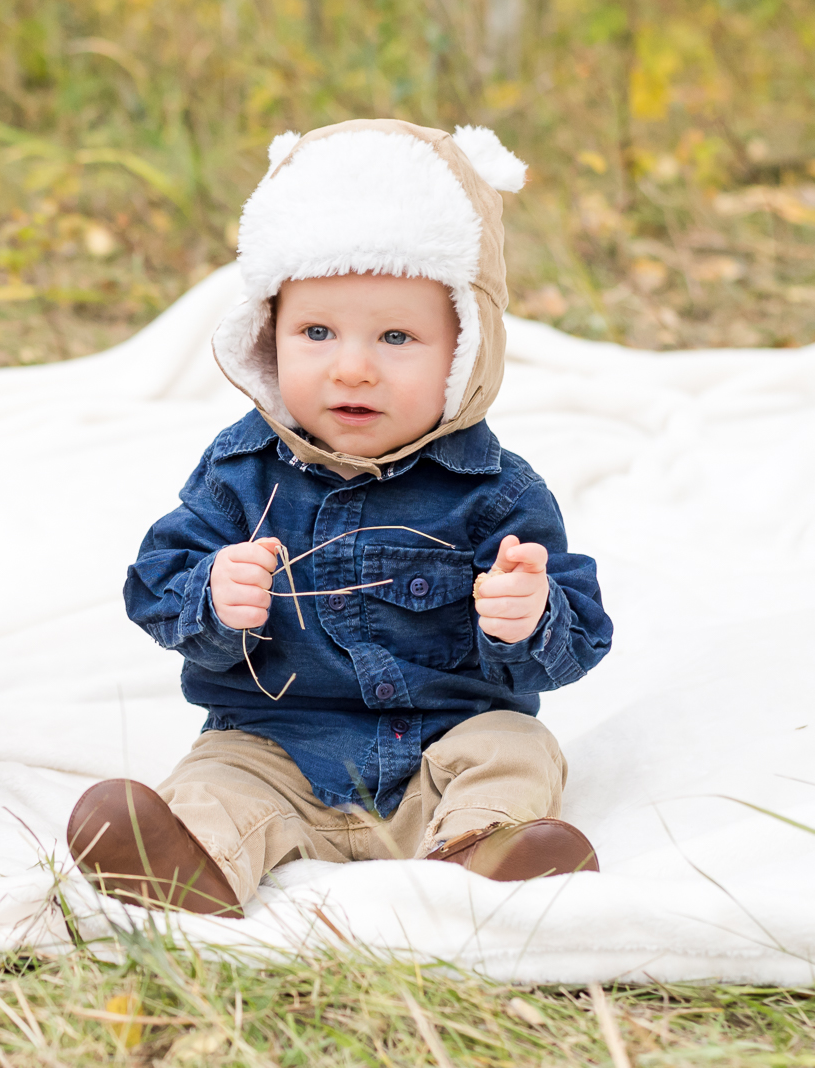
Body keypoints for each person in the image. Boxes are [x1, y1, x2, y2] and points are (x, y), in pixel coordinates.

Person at [68, 119, 613, 917]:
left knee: (516, 749)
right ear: (270, 333)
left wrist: (529, 619)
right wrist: (211, 597)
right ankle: (194, 867)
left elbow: (577, 640)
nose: (351, 366)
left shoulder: (496, 492)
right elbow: (154, 584)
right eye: (316, 332)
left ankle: (484, 853)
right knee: (217, 776)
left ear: (466, 347)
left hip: (439, 752)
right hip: (277, 749)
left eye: (397, 336)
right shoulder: (237, 474)